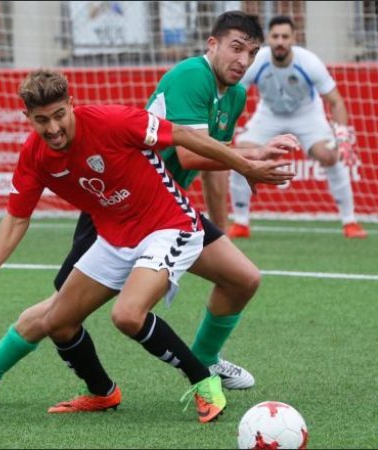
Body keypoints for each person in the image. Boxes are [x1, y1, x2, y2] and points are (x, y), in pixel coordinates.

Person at [0, 69, 292, 423]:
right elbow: (17, 218)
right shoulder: (34, 156)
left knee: (128, 315)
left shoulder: (112, 120)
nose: (53, 128)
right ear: (27, 118)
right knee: (58, 322)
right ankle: (102, 393)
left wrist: (246, 165)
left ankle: (204, 379)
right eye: (41, 120)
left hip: (168, 225)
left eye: (59, 115)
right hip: (113, 236)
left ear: (71, 104)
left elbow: (184, 136)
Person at [47, 11, 298, 393]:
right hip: (120, 207)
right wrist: (251, 158)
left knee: (243, 278)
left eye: (251, 53)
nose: (243, 60)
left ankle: (207, 360)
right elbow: (191, 155)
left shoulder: (235, 95)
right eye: (235, 48)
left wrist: (221, 229)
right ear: (212, 44)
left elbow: (215, 162)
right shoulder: (191, 76)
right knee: (58, 312)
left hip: (168, 214)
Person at [228, 15, 368, 240]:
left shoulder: (309, 62)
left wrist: (342, 139)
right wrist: (226, 129)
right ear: (268, 39)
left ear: (294, 38)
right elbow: (232, 96)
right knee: (238, 154)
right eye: (275, 37)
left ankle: (350, 221)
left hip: (307, 113)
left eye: (285, 37)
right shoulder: (256, 60)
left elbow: (336, 102)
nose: (280, 42)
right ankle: (240, 222)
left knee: (330, 155)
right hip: (269, 114)